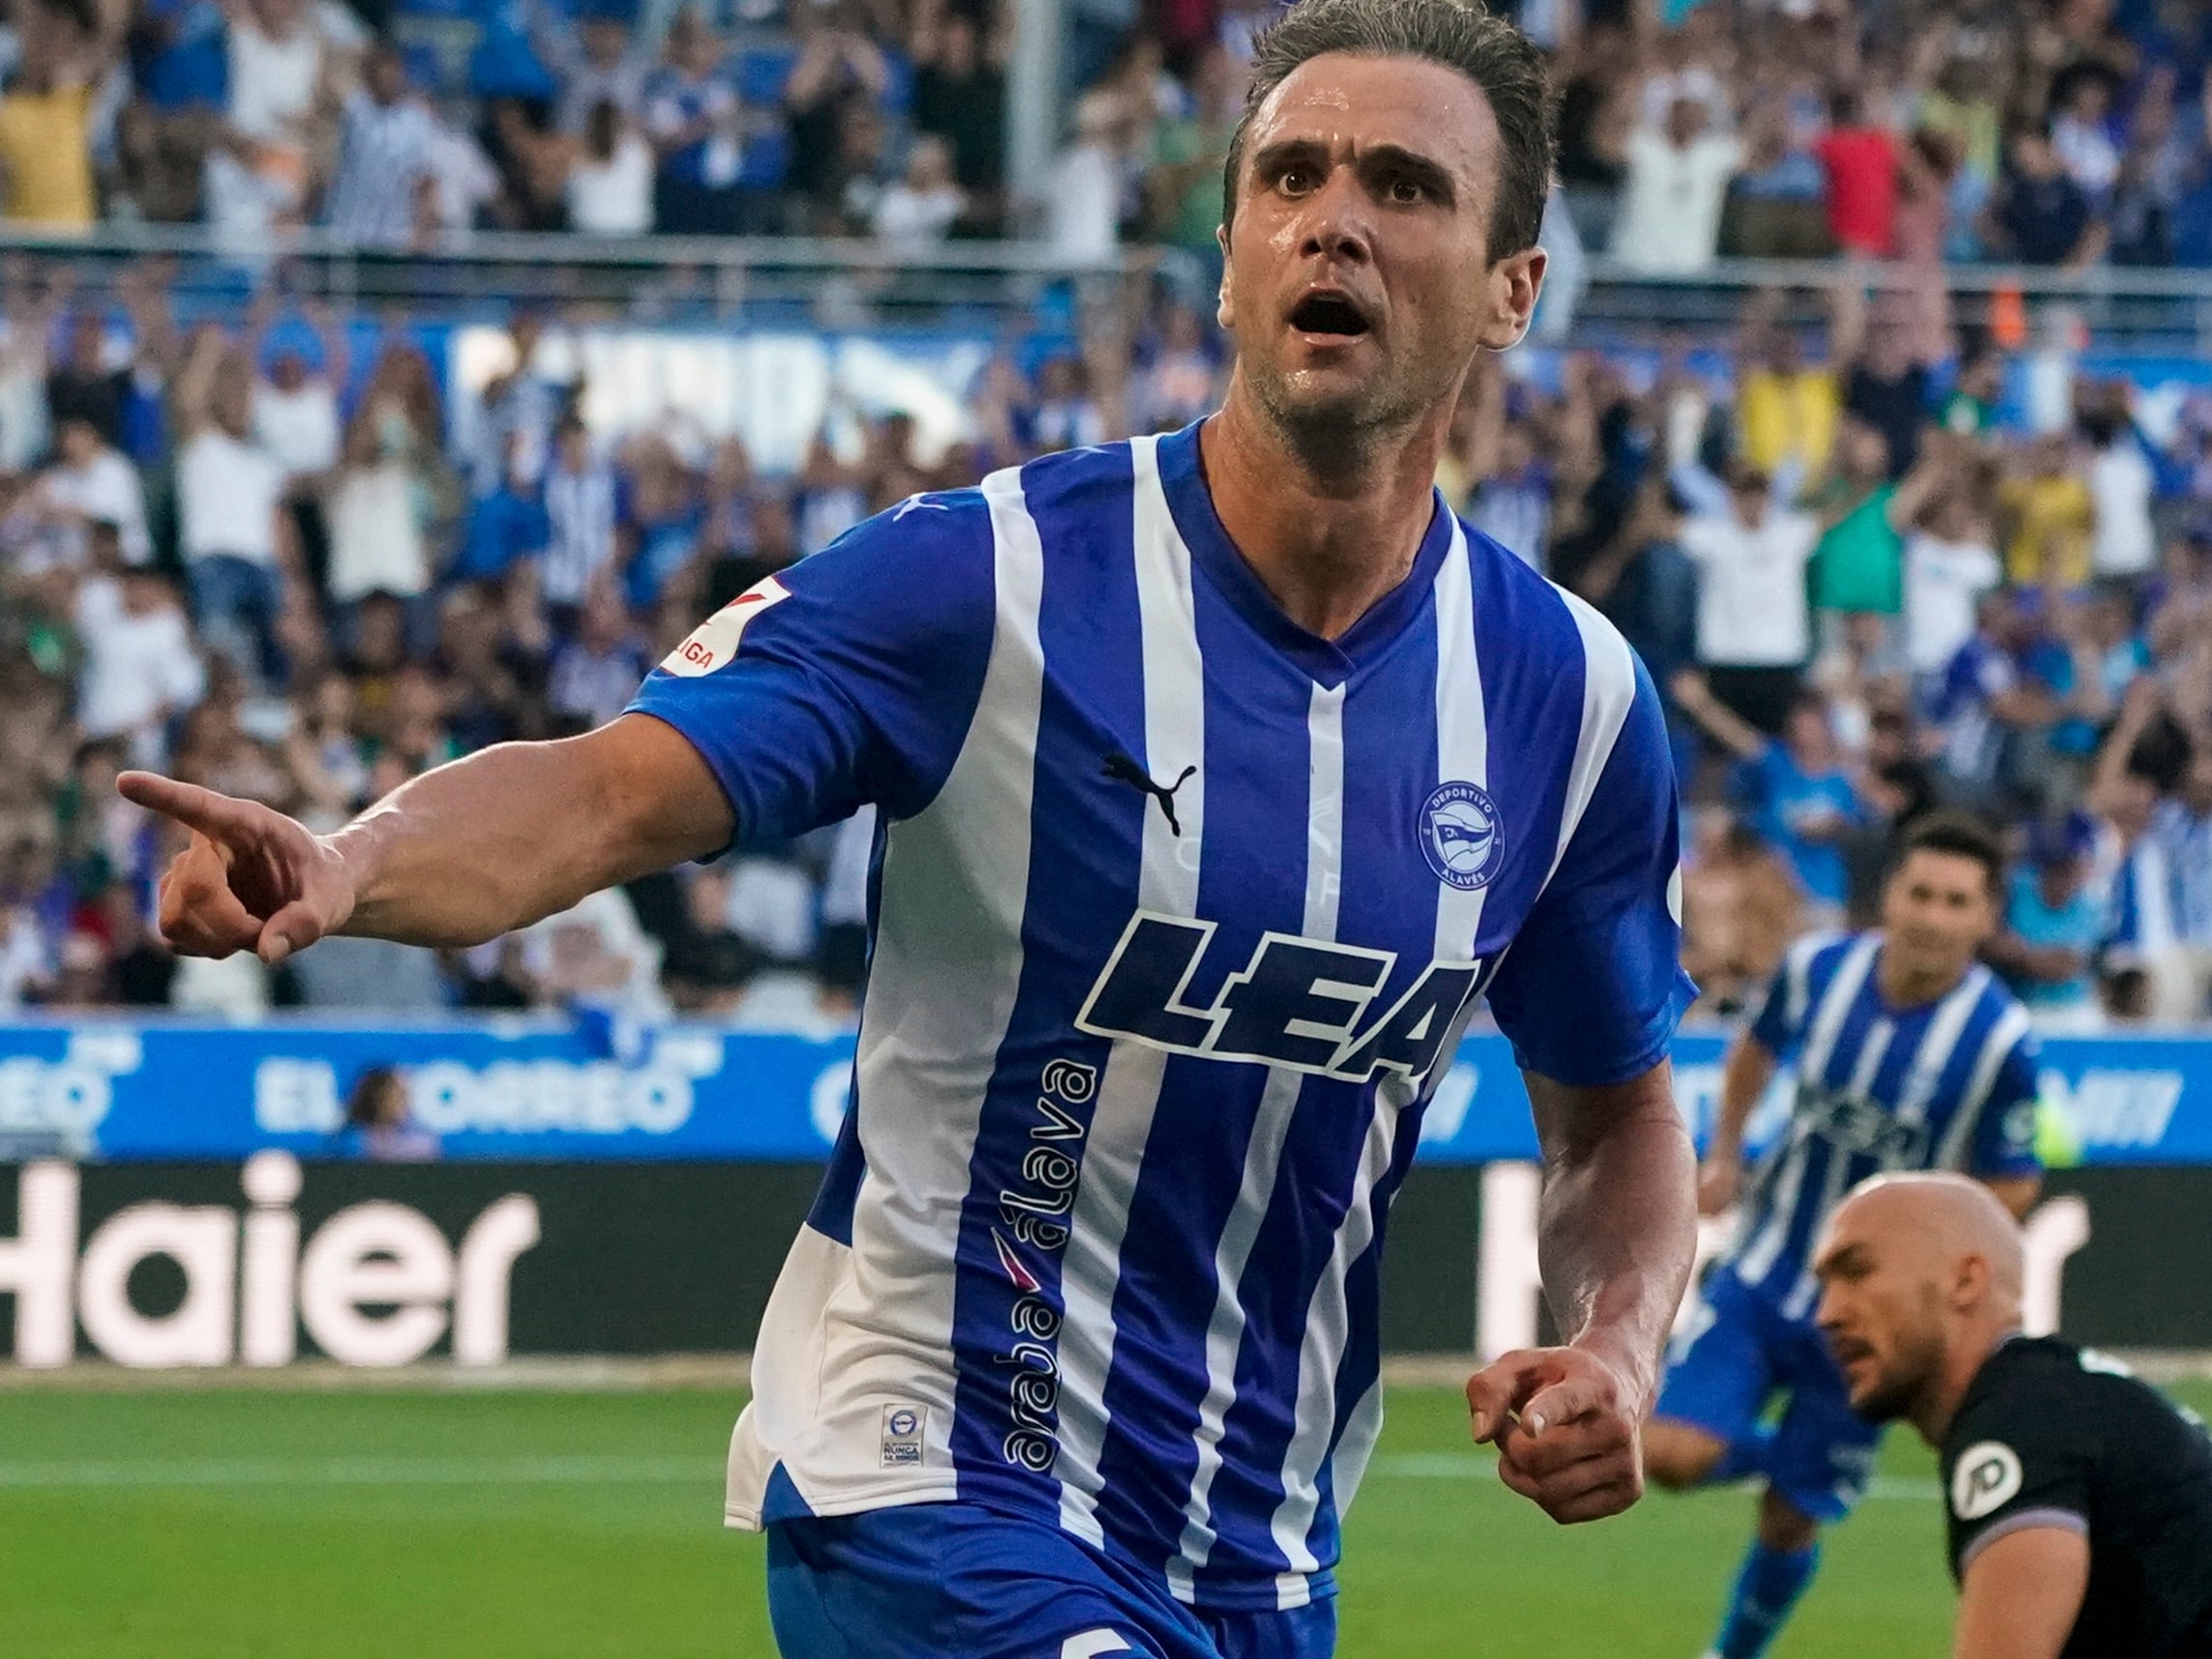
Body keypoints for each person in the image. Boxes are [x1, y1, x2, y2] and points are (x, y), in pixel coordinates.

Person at [118, 3, 1700, 1654]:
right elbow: (608, 789)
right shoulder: (985, 579)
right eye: (1288, 175)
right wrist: (356, 858)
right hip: (928, 1476)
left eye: (1401, 186)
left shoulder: (1566, 704)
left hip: (1258, 1553)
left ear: (1513, 287)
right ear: (1227, 251)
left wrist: (1614, 1341)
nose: (1333, 221)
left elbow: (1614, 1121)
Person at [1642, 812, 2044, 1659]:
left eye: (1956, 900)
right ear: (1888, 896)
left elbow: (2013, 1180)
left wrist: (1939, 1261)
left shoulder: (2000, 1041)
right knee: (1671, 1453)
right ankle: (1793, 1457)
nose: (1932, 914)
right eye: (1920, 892)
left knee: (1789, 1524)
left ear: (1984, 918)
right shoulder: (1815, 972)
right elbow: (1755, 1047)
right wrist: (1723, 1155)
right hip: (1766, 1266)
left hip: (1876, 1319)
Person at [1812, 1173, 2212, 1658]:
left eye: (1857, 1272)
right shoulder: (2058, 1398)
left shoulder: (2017, 1425)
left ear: (1965, 1281)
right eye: (1824, 1285)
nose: (1827, 1314)